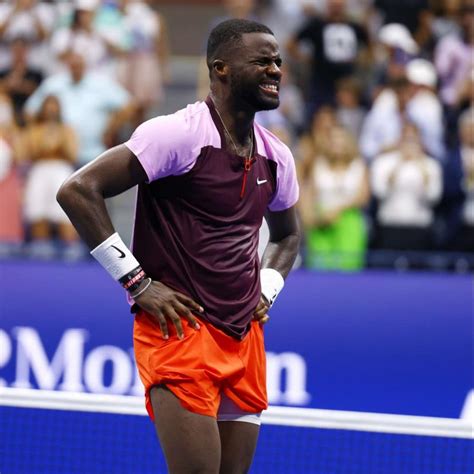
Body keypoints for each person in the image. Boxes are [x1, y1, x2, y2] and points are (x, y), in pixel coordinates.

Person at [57, 18, 300, 474]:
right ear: (221, 68)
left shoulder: (277, 155)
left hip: (244, 338)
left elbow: (288, 236)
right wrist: (137, 282)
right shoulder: (177, 134)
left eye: (278, 62)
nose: (275, 70)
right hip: (179, 335)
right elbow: (77, 190)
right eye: (262, 60)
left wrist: (265, 290)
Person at [299, 126, 369, 270]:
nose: (337, 143)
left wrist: (338, 209)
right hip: (321, 222)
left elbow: (363, 197)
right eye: (333, 139)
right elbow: (309, 195)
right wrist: (312, 218)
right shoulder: (318, 165)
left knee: (348, 268)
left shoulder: (358, 166)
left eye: (341, 139)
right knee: (320, 268)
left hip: (349, 222)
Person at [23, 95, 78, 255]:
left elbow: (72, 154)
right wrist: (44, 138)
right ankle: (41, 252)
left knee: (63, 214)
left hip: (61, 170)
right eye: (48, 105)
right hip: (39, 171)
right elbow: (27, 153)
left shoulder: (67, 130)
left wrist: (58, 138)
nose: (51, 109)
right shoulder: (34, 129)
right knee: (38, 212)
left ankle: (70, 253)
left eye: (54, 106)